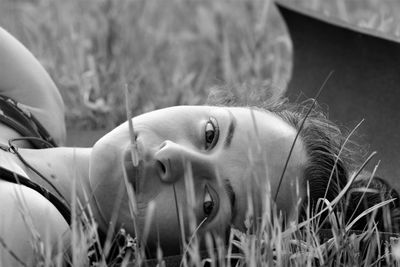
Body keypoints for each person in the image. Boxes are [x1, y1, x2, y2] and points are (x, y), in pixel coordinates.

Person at [0, 27, 399, 266]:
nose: (174, 157)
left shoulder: (30, 225)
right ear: (209, 102)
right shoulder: (32, 103)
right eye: (209, 134)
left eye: (208, 204)